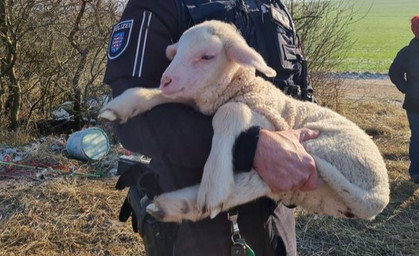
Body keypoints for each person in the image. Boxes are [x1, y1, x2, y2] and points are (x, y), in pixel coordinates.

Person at [103, 0, 319, 255]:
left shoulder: (273, 6)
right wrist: (251, 148)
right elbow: (132, 119)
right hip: (199, 225)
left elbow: (302, 95)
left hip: (278, 218)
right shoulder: (159, 5)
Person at [389, 14, 419, 184]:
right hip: (415, 105)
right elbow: (394, 72)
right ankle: (416, 173)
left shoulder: (406, 52)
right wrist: (407, 88)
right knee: (417, 138)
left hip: (414, 102)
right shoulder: (407, 53)